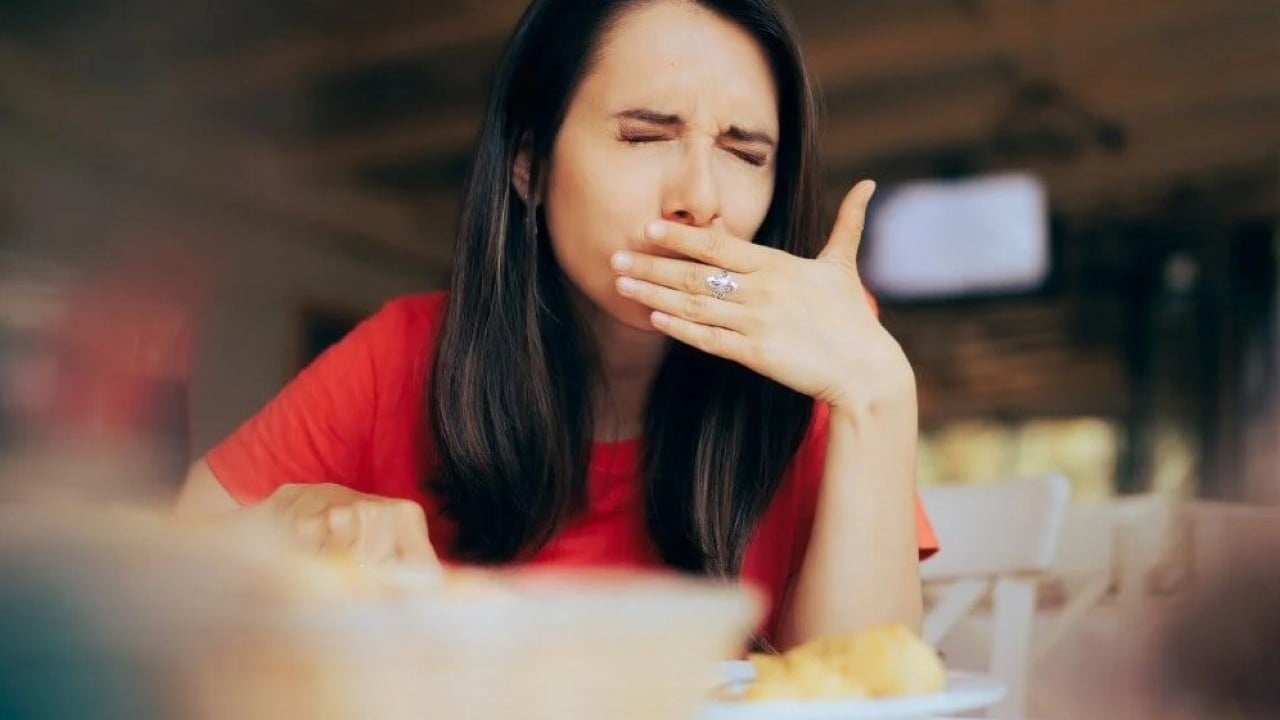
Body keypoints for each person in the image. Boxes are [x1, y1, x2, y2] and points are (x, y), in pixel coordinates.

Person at [175, 0, 937, 650]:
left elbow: (860, 687)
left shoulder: (825, 356)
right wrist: (292, 525)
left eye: (744, 152)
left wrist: (877, 394)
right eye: (644, 136)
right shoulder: (405, 354)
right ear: (530, 166)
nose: (700, 199)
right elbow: (173, 563)